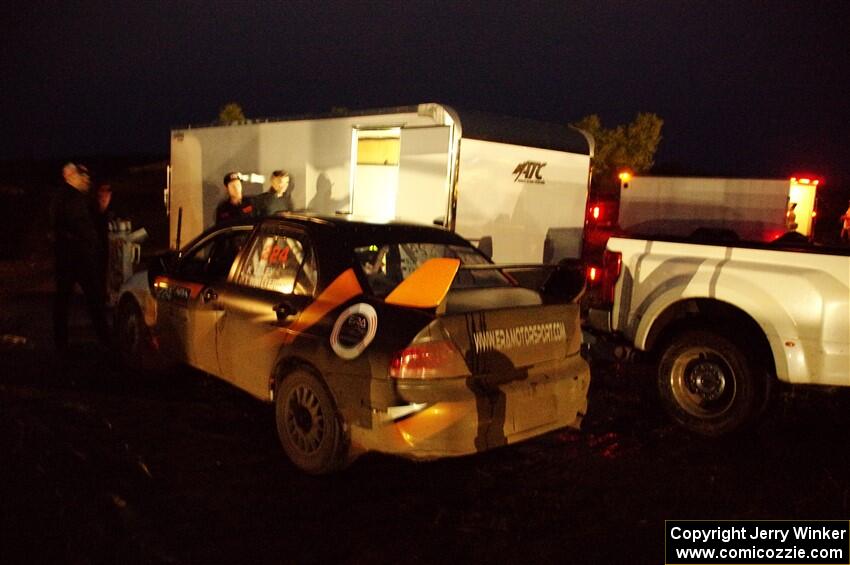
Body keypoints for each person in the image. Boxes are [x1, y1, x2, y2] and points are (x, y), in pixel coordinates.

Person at [52, 162, 111, 350]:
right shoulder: (69, 199)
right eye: (82, 176)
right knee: (90, 299)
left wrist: (101, 210)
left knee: (67, 300)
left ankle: (62, 343)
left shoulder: (76, 198)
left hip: (72, 258)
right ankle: (105, 341)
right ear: (70, 176)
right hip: (76, 258)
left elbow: (89, 223)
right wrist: (93, 245)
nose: (86, 180)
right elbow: (83, 228)